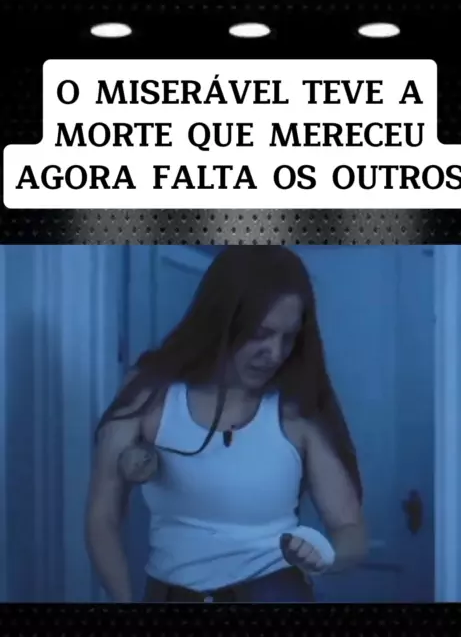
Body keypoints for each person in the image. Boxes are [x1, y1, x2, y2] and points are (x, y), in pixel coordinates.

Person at [85, 246, 367, 603]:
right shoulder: (150, 394)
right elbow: (102, 516)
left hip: (275, 593)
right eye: (261, 333)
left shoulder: (297, 411)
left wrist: (325, 555)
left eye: (288, 338)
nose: (275, 353)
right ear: (221, 321)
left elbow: (351, 531)